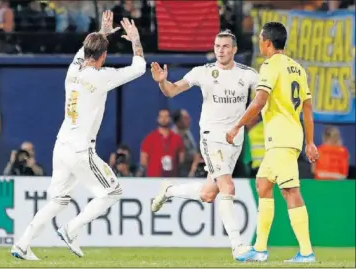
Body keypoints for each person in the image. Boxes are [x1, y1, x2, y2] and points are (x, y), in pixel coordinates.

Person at [11, 10, 146, 260]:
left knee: (59, 200)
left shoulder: (73, 70)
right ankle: (71, 229)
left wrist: (103, 32)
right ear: (103, 56)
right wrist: (136, 39)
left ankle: (22, 244)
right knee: (112, 192)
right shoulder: (102, 77)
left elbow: (87, 47)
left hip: (61, 146)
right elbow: (139, 68)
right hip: (81, 149)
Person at [150, 29, 259, 259]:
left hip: (235, 140)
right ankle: (238, 247)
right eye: (217, 46)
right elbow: (171, 91)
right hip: (212, 137)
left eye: (225, 46)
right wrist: (162, 82)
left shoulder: (249, 75)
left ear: (235, 50)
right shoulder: (202, 72)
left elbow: (263, 100)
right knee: (228, 187)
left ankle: (169, 190)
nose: (220, 50)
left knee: (209, 194)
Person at [226, 22, 319, 263]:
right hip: (288, 136)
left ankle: (307, 252)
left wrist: (237, 125)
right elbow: (307, 108)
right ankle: (259, 249)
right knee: (263, 184)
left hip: (280, 138)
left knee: (290, 191)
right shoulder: (297, 68)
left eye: (260, 39)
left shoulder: (269, 66)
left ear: (267, 42)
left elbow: (259, 101)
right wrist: (310, 142)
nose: (259, 43)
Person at [137, 109, 184, 178]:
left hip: (172, 179)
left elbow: (181, 159)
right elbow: (143, 161)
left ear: (170, 119)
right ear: (158, 119)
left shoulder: (177, 138)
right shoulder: (149, 138)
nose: (163, 119)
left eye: (166, 116)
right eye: (161, 117)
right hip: (153, 179)